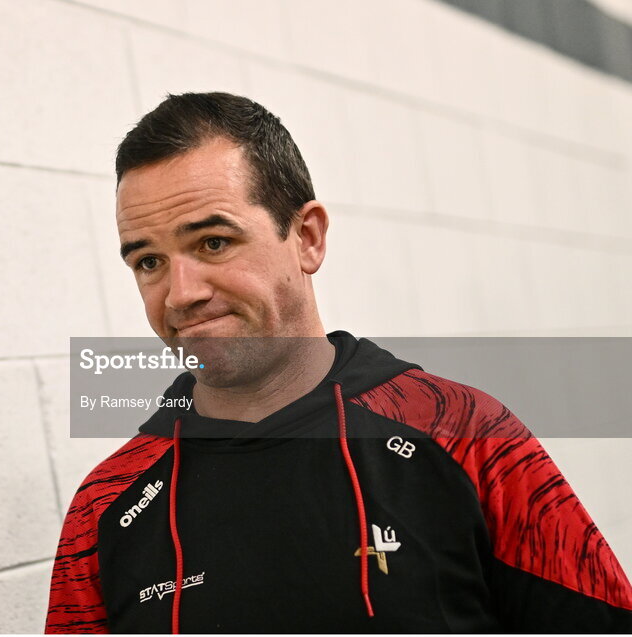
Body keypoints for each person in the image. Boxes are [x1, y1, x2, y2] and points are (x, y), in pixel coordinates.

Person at [44, 92, 632, 632]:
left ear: (307, 238)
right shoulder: (105, 507)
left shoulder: (462, 432)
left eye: (213, 243)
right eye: (148, 261)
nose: (180, 293)